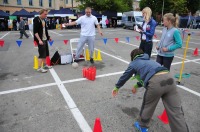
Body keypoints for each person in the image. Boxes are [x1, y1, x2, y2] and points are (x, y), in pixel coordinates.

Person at [112, 48, 189, 132]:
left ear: (133, 57)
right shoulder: (150, 61)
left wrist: (117, 87)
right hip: (170, 79)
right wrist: (137, 85)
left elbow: (125, 76)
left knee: (148, 107)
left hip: (155, 83)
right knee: (176, 112)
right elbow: (149, 74)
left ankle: (142, 127)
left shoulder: (134, 63)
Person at [33, 9, 52, 73]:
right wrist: (39, 40)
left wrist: (48, 37)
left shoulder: (44, 20)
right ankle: (39, 68)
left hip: (45, 39)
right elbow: (35, 32)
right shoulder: (36, 19)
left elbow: (45, 30)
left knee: (45, 54)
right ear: (41, 13)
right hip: (40, 40)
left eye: (46, 14)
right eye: (45, 14)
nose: (46, 15)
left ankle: (44, 65)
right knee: (41, 54)